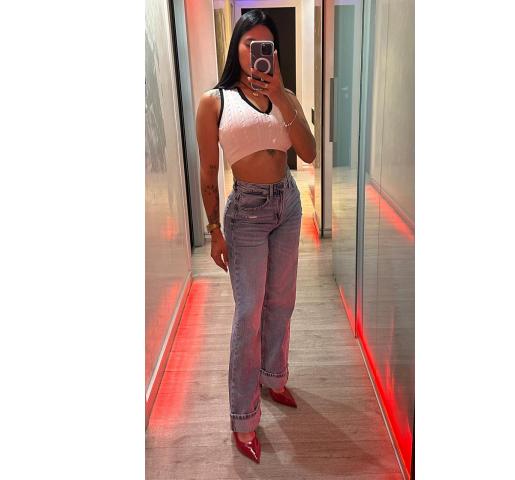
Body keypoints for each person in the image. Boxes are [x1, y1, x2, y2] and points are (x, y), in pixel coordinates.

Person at [195, 9, 316, 464]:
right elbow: (208, 170)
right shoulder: (215, 101)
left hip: (287, 203)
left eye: (268, 46)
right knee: (248, 313)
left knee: (281, 301)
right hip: (245, 212)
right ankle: (243, 416)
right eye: (251, 45)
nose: (259, 53)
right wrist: (214, 230)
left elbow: (307, 153)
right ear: (238, 48)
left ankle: (274, 376)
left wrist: (282, 95)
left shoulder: (286, 97)